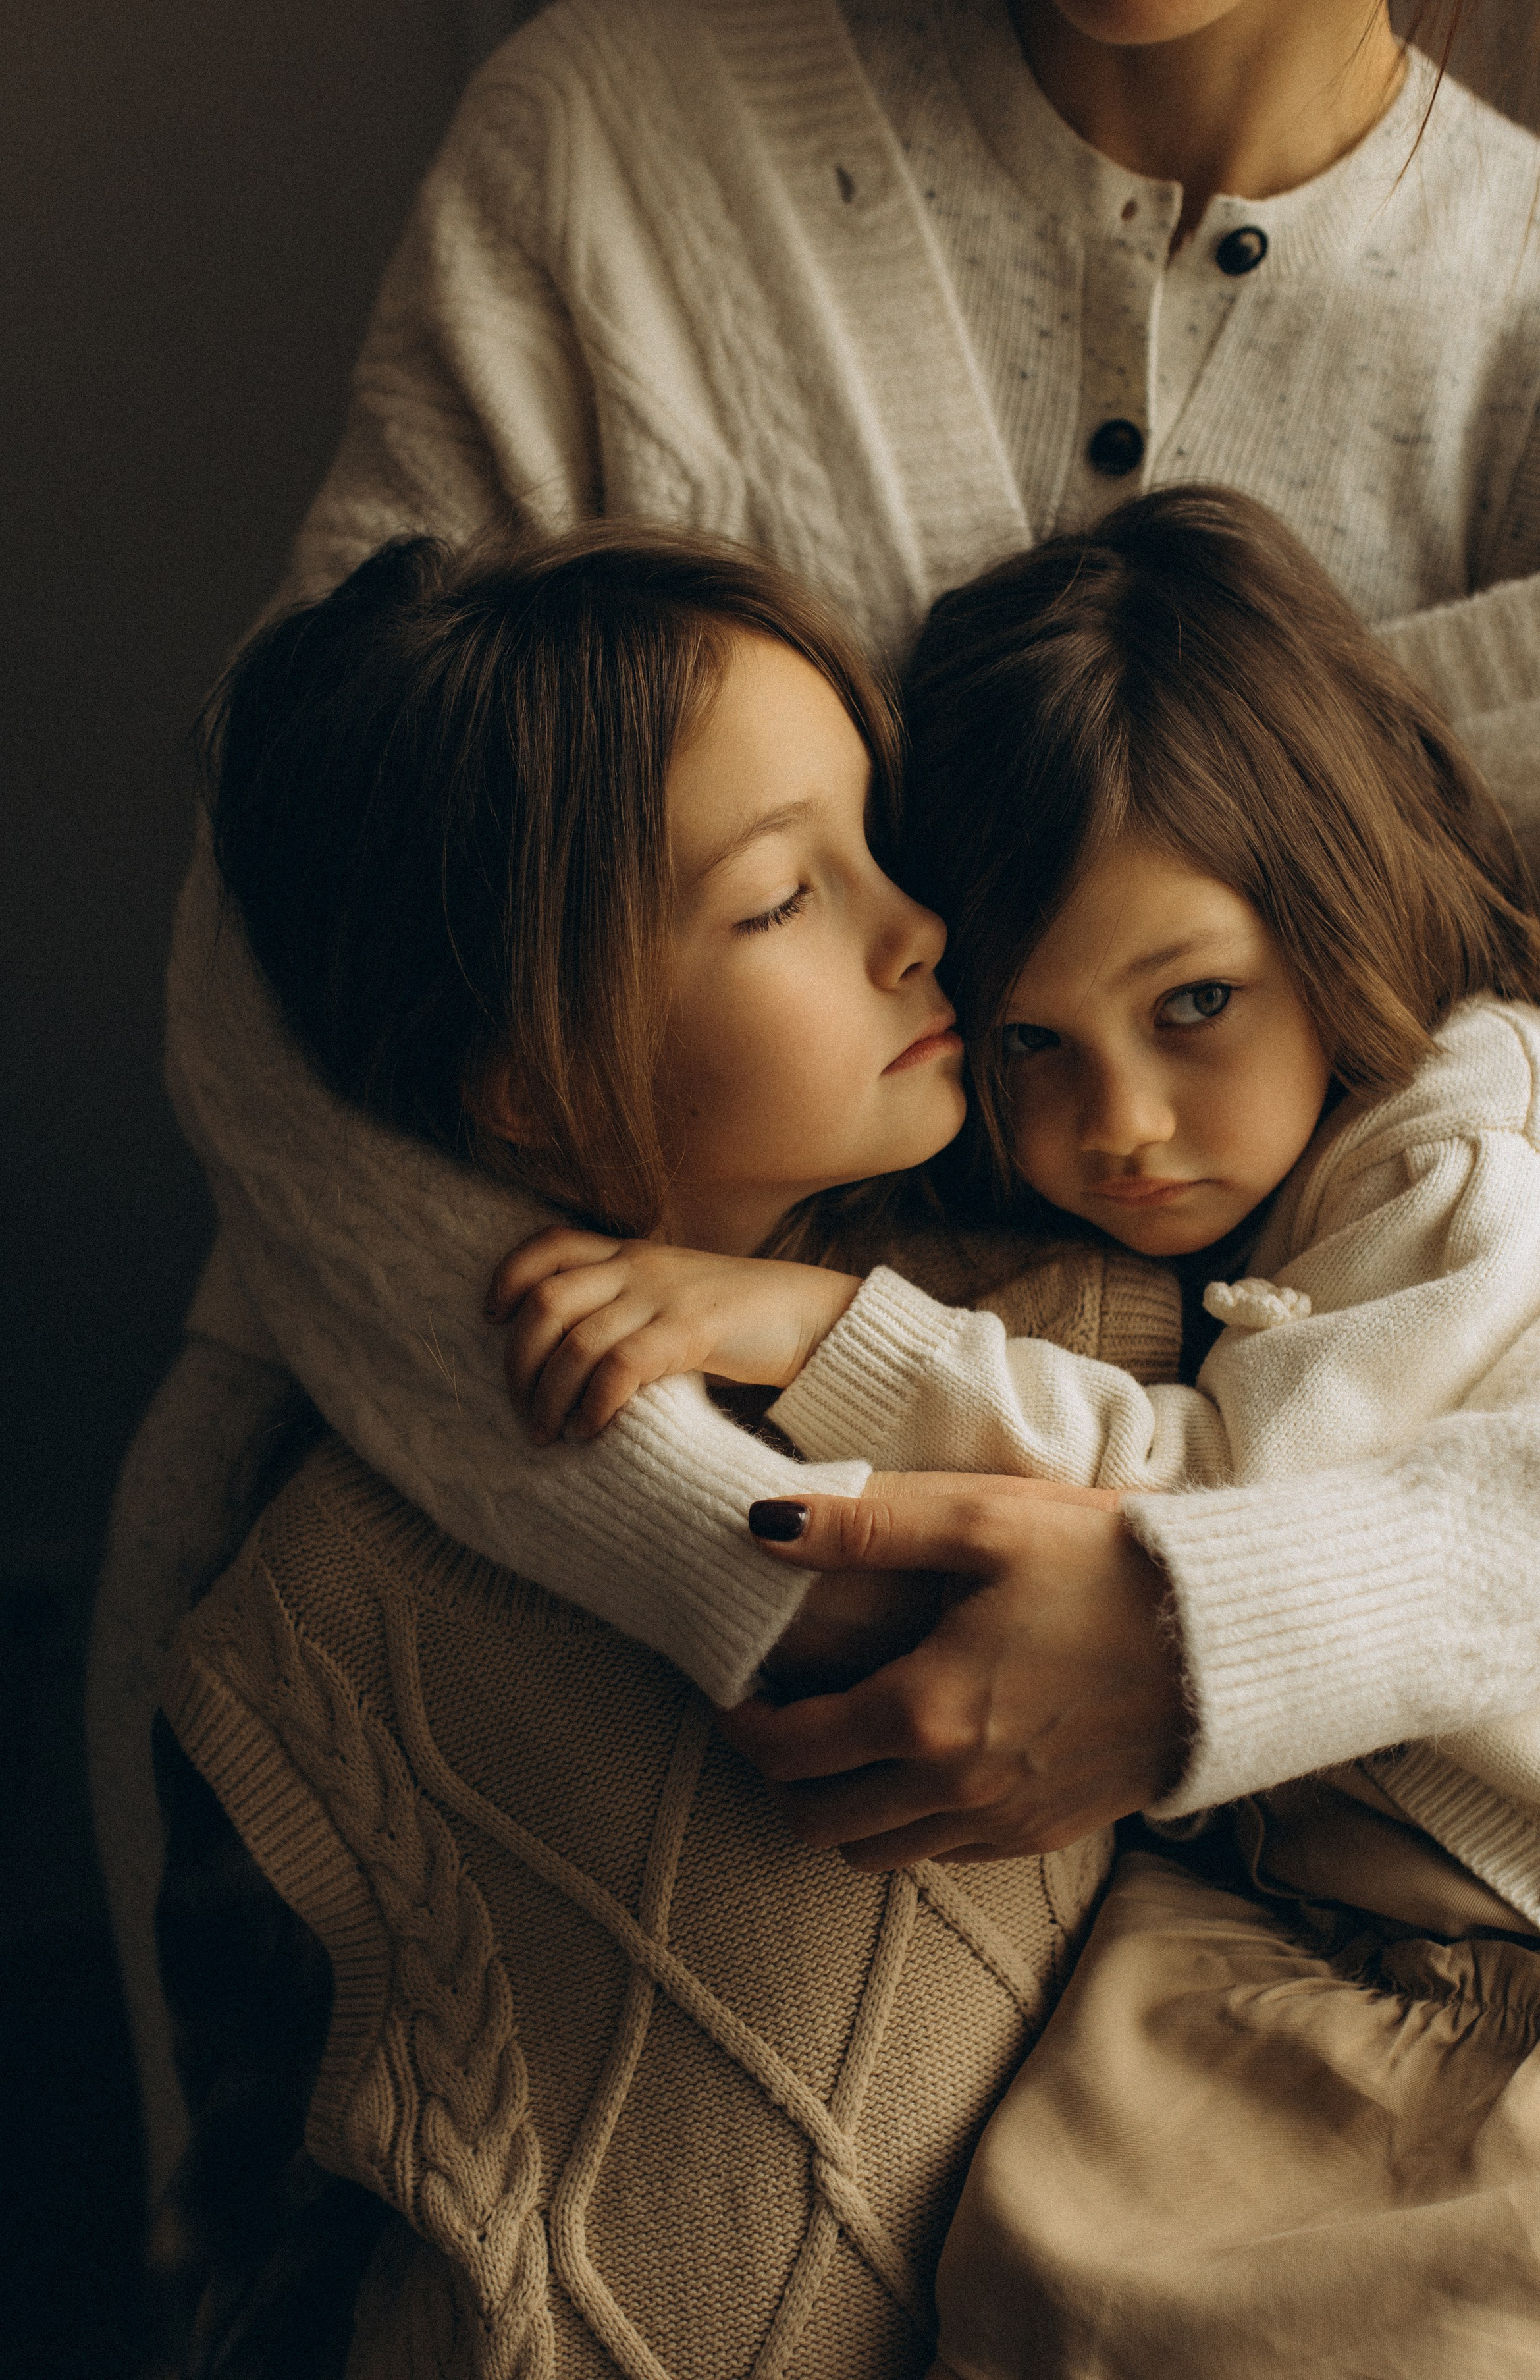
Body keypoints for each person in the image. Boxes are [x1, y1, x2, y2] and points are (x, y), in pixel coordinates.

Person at [96, 0, 1540, 2180]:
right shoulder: (626, 153)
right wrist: (749, 1557)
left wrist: (1211, 1628)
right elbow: (277, 993)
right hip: (460, 1584)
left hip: (1260, 1905)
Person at [487, 486, 1540, 2371]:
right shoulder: (1191, 1195)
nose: (1119, 1122)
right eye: (1032, 1043)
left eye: (1194, 1001)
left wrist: (821, 1331)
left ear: (1336, 901)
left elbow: (1230, 1518)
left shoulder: (1477, 1130)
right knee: (1043, 2284)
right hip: (1311, 1931)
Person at [159, 521, 1172, 2373]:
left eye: (881, 839)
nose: (917, 927)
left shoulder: (1094, 1338)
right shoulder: (321, 1607)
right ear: (524, 1075)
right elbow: (256, 2226)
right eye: (783, 900)